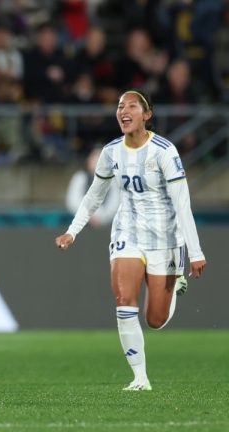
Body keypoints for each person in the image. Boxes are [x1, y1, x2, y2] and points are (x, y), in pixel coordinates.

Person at [55, 90, 206, 391]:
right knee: (124, 300)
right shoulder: (111, 152)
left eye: (132, 106)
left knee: (155, 320)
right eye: (120, 106)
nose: (123, 111)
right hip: (127, 233)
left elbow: (182, 204)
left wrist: (195, 251)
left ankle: (174, 279)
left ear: (146, 115)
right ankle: (140, 378)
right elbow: (94, 196)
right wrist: (73, 231)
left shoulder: (164, 151)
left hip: (165, 238)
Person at [65, 146, 120, 227]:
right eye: (94, 159)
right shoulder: (80, 177)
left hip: (105, 226)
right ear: (89, 160)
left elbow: (114, 203)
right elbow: (73, 200)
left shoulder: (112, 181)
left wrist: (101, 217)